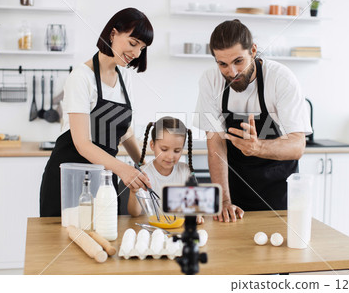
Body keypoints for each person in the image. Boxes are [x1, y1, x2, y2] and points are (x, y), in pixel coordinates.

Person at [194, 19, 312, 222]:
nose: (232, 72)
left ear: (253, 50)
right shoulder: (210, 81)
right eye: (223, 64)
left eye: (238, 61)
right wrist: (224, 202)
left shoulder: (280, 79)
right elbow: (216, 143)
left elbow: (297, 145)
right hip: (234, 195)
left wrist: (258, 147)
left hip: (278, 196)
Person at [40, 8, 154, 217]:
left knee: (106, 239)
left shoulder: (124, 78)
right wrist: (123, 169)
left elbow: (125, 131)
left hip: (103, 179)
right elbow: (82, 143)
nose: (137, 53)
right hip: (70, 180)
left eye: (142, 48)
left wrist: (143, 165)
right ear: (113, 34)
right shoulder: (81, 77)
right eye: (133, 43)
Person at [127, 117, 204, 224]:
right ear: (152, 145)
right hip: (152, 229)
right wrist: (133, 191)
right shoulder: (143, 173)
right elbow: (134, 213)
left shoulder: (185, 171)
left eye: (177, 151)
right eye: (164, 149)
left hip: (178, 229)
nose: (170, 156)